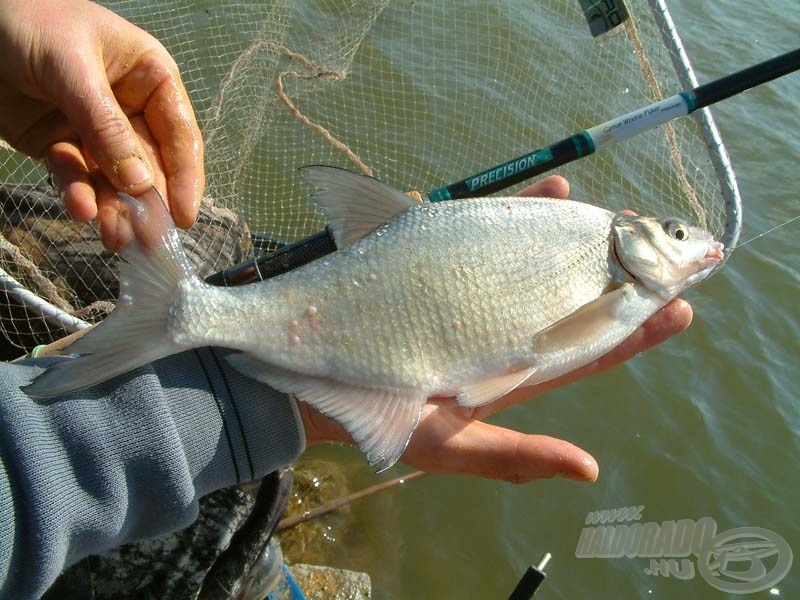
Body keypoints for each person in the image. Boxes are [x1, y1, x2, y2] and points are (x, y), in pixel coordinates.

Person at [0, 0, 693, 597]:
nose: (693, 246)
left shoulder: (604, 264)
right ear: (634, 237)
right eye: (677, 233)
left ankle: (166, 324)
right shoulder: (603, 256)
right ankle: (175, 319)